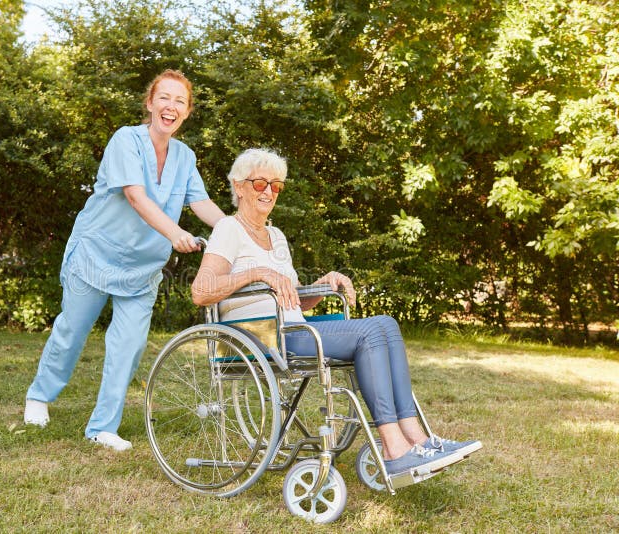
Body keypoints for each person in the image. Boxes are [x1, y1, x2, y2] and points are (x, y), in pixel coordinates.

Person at [191, 148, 481, 476]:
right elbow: (201, 291)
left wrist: (323, 285)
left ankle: (417, 438)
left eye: (276, 186)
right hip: (259, 336)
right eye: (260, 184)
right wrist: (258, 273)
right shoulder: (229, 229)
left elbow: (295, 300)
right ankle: (394, 447)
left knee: (386, 324)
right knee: (371, 331)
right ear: (239, 186)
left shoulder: (277, 236)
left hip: (292, 328)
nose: (269, 192)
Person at [24, 69, 224, 451]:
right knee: (72, 332)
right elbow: (136, 196)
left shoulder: (185, 156)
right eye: (164, 98)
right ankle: (39, 396)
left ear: (187, 112)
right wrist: (175, 234)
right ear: (150, 104)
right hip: (97, 253)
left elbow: (199, 202)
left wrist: (234, 230)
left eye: (180, 101)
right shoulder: (125, 140)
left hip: (142, 266)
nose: (171, 106)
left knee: (128, 346)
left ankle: (102, 427)